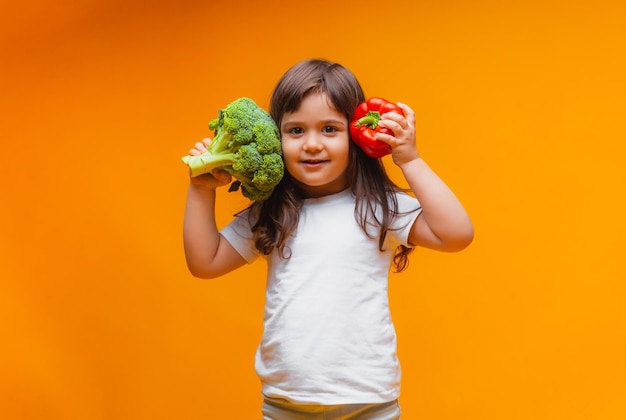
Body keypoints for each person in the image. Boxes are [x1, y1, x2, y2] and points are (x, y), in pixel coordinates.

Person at [183, 58, 474, 419]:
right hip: (284, 404)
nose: (312, 144)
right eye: (296, 131)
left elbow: (457, 234)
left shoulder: (378, 207)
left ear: (355, 134)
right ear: (276, 138)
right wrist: (200, 190)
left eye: (329, 129)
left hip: (368, 402)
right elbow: (205, 262)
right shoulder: (272, 211)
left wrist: (409, 159)